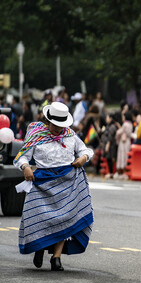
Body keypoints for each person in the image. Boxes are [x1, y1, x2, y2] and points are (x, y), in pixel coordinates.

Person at [14, 102, 94, 271]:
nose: (59, 129)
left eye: (62, 125)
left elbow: (85, 150)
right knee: (38, 218)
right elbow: (22, 156)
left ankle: (56, 258)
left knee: (65, 218)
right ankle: (40, 248)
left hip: (68, 181)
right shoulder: (36, 135)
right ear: (48, 121)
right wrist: (26, 167)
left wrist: (83, 158)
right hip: (41, 181)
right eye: (56, 125)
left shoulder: (70, 135)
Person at [115, 112, 134, 179]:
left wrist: (117, 133)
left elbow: (119, 132)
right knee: (126, 156)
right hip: (128, 141)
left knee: (122, 155)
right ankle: (125, 172)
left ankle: (122, 172)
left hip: (123, 142)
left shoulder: (125, 124)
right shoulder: (131, 124)